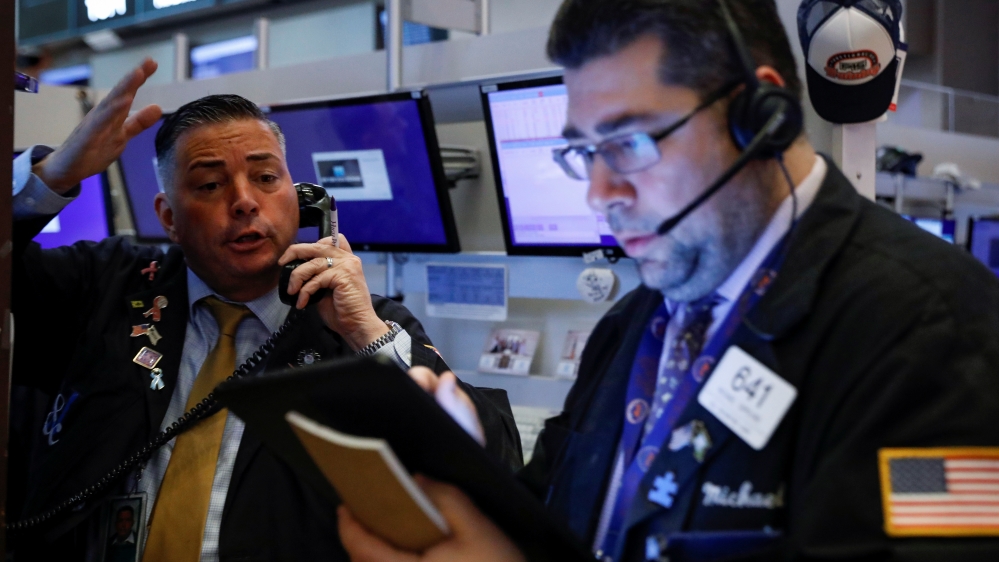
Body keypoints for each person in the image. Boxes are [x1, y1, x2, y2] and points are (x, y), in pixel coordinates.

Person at [340, 0, 999, 560]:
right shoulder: (637, 322)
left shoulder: (935, 332)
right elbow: (563, 519)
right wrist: (470, 467)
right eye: (585, 151)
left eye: (628, 142)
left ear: (757, 117)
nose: (599, 193)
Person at [9, 59, 521, 560]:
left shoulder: (357, 323)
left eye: (266, 178)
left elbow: (491, 460)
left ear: (300, 200)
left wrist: (365, 331)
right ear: (168, 217)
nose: (244, 201)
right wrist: (50, 177)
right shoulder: (105, 285)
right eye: (210, 184)